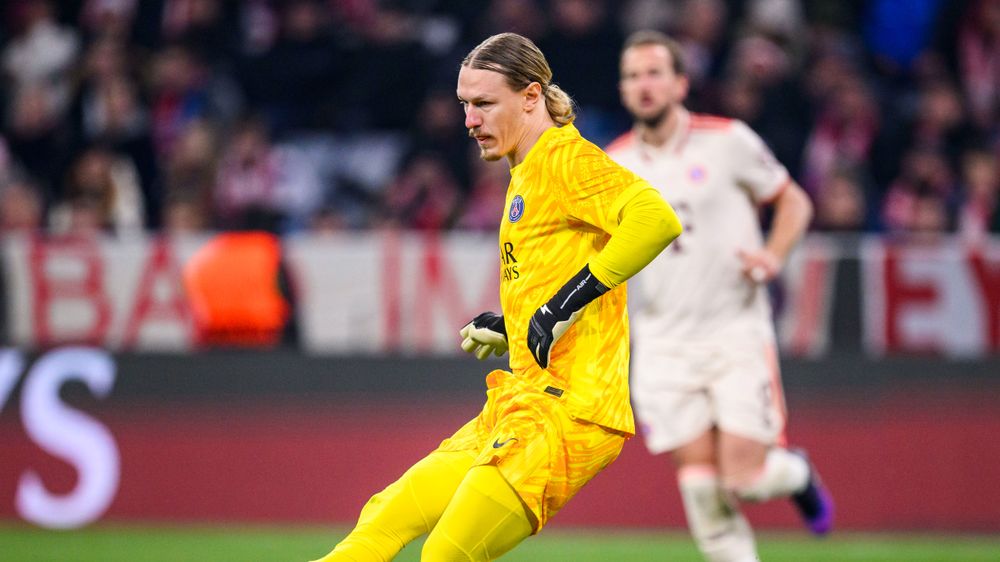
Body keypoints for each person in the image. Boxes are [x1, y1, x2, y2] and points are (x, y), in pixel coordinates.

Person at [312, 32, 682, 562]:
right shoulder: (525, 171)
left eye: (484, 103)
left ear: (531, 96)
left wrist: (564, 303)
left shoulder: (564, 159)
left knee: (445, 554)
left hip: (571, 412)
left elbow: (655, 219)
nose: (469, 120)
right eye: (465, 104)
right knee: (382, 521)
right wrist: (514, 323)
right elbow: (555, 277)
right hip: (521, 400)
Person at [606, 30, 833, 562]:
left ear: (681, 83)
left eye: (655, 73)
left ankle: (797, 474)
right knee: (702, 488)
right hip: (661, 341)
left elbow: (794, 202)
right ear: (622, 89)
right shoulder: (612, 166)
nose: (644, 85)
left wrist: (773, 255)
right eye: (633, 76)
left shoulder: (728, 142)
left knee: (746, 480)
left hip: (734, 331)